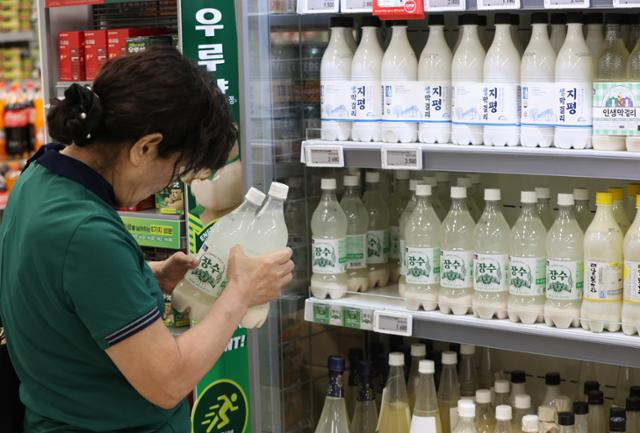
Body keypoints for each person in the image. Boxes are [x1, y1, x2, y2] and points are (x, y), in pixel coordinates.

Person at [0, 46, 294, 432]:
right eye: (175, 171)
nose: (169, 183)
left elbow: (55, 287)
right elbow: (168, 382)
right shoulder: (87, 234)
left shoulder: (40, 176)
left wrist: (143, 276)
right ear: (144, 148)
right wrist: (239, 293)